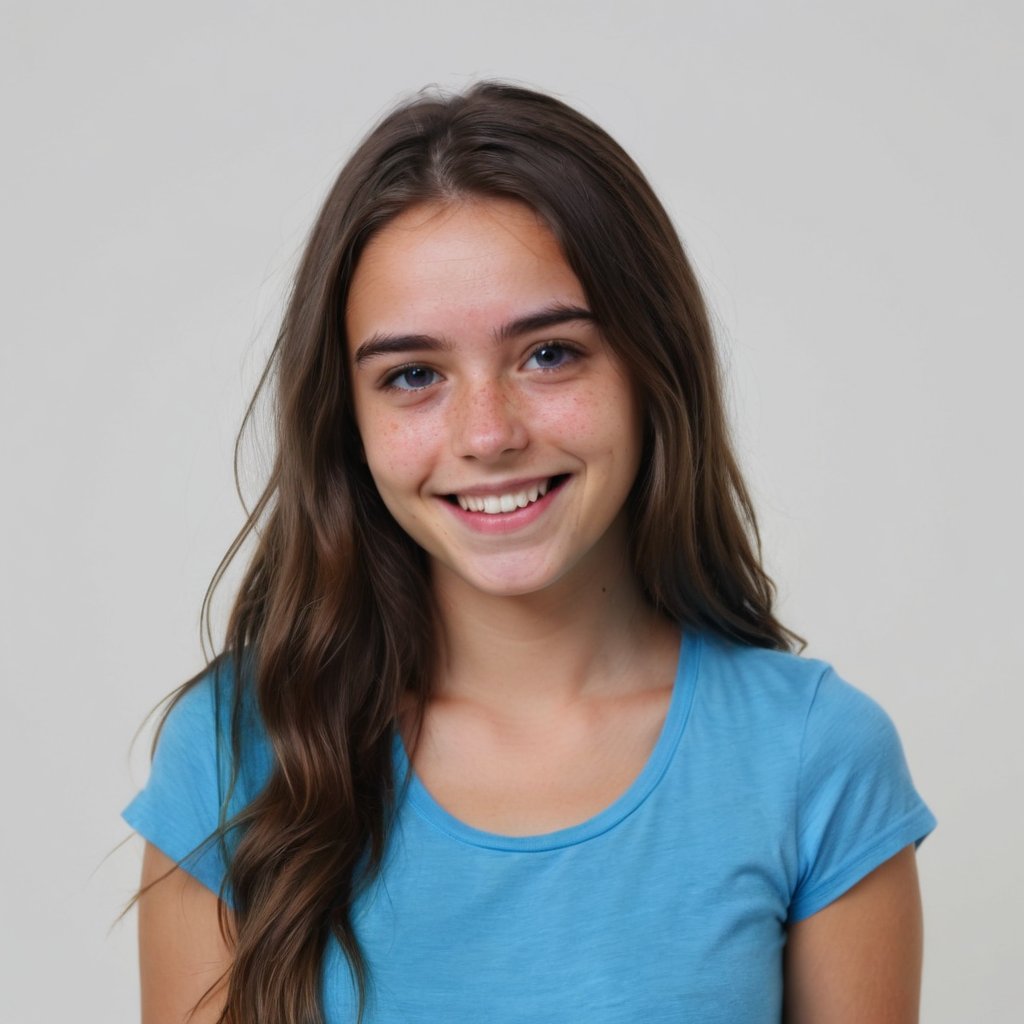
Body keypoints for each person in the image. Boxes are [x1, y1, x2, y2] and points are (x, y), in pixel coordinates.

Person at [123, 81, 936, 1024]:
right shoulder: (235, 752)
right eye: (414, 375)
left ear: (650, 366)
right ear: (348, 420)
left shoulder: (814, 760)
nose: (488, 433)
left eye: (548, 354)